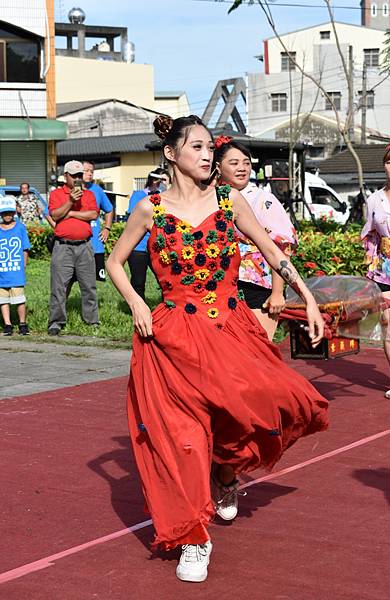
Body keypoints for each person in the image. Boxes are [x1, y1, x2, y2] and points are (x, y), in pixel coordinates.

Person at [106, 115, 329, 583]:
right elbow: (115, 262)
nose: (208, 155)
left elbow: (271, 250)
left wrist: (305, 296)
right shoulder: (150, 208)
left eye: (211, 147)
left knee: (265, 407)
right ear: (171, 154)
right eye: (199, 147)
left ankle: (226, 477)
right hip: (169, 338)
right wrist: (136, 304)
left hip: (230, 329)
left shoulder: (230, 201)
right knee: (183, 438)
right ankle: (193, 538)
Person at [214, 136, 298, 340]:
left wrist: (277, 292)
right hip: (220, 286)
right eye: (234, 163)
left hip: (258, 286)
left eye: (246, 163)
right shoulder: (210, 198)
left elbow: (280, 246)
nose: (242, 168)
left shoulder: (263, 200)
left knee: (257, 353)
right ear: (218, 166)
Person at [361, 140, 390, 399]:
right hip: (386, 267)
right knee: (389, 322)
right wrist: (369, 268)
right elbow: (370, 235)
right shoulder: (374, 198)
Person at [47, 160, 99, 336]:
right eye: (74, 175)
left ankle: (92, 320)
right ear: (66, 176)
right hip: (63, 247)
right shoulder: (56, 194)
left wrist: (69, 213)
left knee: (89, 286)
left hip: (85, 246)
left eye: (80, 175)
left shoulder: (89, 195)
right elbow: (55, 214)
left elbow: (93, 214)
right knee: (59, 287)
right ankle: (56, 322)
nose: (78, 178)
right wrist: (70, 201)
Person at [126, 168, 171, 300]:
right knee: (138, 282)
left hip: (159, 247)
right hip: (139, 246)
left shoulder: (170, 198)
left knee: (166, 280)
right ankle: (138, 309)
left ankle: (168, 306)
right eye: (159, 179)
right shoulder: (139, 195)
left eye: (165, 181)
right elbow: (133, 218)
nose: (161, 183)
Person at [0, 195, 30, 335]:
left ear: (14, 213)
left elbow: (25, 248)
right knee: (3, 300)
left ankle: (22, 323)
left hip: (16, 271)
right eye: (4, 213)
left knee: (19, 299)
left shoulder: (20, 228)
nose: (7, 216)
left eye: (9, 213)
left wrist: (24, 264)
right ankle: (7, 324)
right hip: (2, 272)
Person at [82, 160, 114, 282]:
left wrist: (107, 228)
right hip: (77, 245)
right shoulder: (71, 189)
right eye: (86, 171)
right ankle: (62, 301)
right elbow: (49, 213)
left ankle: (91, 302)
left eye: (91, 171)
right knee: (69, 280)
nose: (89, 174)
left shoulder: (97, 190)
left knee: (93, 281)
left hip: (95, 244)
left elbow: (109, 210)